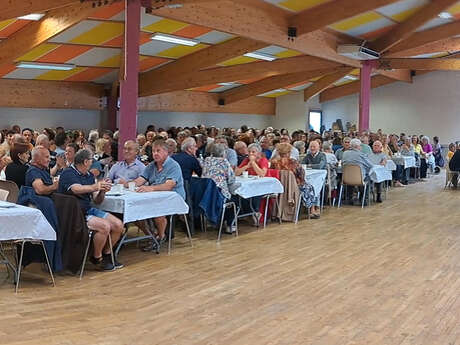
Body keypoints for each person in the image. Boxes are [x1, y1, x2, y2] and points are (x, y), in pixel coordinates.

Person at [58, 149, 124, 271]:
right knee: (105, 226)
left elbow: (96, 200)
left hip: (88, 209)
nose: (93, 162)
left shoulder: (89, 176)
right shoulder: (68, 173)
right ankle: (97, 257)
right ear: (86, 162)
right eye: (91, 160)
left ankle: (107, 254)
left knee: (118, 225)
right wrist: (95, 186)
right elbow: (76, 189)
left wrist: (103, 190)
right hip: (74, 214)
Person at [130, 140, 185, 243]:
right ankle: (151, 235)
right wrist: (126, 184)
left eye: (158, 151)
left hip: (174, 198)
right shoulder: (151, 166)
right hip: (155, 197)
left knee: (158, 211)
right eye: (153, 151)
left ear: (166, 152)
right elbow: (140, 181)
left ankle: (161, 236)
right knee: (134, 211)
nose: (155, 153)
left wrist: (151, 188)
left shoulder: (174, 166)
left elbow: (169, 186)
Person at [270, 143, 317, 217]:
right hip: (294, 187)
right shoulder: (293, 162)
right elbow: (301, 175)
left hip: (278, 187)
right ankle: (312, 210)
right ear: (289, 152)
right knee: (309, 187)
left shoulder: (274, 163)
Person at [201, 143, 237, 232]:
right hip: (219, 194)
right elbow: (231, 179)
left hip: (207, 194)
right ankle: (229, 225)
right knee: (234, 200)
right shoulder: (224, 162)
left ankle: (216, 221)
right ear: (223, 153)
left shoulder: (207, 160)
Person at [342, 139, 374, 205]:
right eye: (360, 146)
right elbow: (370, 165)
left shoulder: (345, 153)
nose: (361, 147)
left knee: (351, 177)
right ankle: (363, 198)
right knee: (367, 177)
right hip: (359, 178)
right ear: (357, 146)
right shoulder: (361, 155)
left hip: (346, 179)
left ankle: (349, 198)